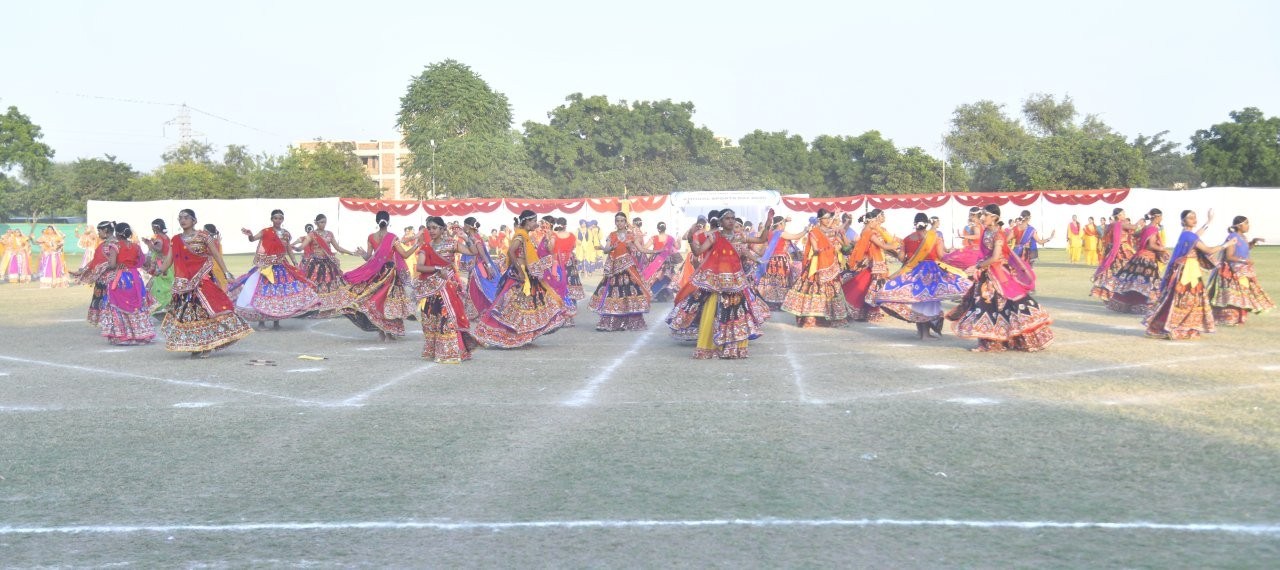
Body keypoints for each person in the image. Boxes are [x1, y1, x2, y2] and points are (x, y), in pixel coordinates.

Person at [947, 204, 1054, 352]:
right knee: (983, 306)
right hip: (986, 274)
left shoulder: (998, 235)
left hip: (997, 274)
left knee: (1002, 305)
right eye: (982, 215)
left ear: (994, 218)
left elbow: (995, 257)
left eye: (985, 215)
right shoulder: (986, 232)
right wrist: (980, 266)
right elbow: (985, 253)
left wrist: (978, 266)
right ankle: (990, 342)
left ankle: (1003, 341)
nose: (982, 217)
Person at [666, 209, 770, 359]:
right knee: (712, 312)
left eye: (733, 218)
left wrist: (768, 224)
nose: (731, 221)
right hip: (716, 283)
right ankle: (709, 347)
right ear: (720, 222)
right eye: (727, 218)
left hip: (736, 282)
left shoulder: (739, 236)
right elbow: (698, 251)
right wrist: (690, 238)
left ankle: (733, 349)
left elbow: (761, 239)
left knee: (736, 314)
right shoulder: (714, 237)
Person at [156, 209, 253, 357]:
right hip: (184, 283)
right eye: (180, 218)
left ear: (194, 220)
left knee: (206, 311)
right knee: (189, 314)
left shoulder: (204, 236)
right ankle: (196, 345)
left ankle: (208, 344)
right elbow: (169, 260)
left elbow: (216, 255)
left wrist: (226, 273)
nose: (183, 220)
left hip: (202, 280)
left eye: (186, 217)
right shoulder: (175, 239)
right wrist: (158, 270)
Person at [469, 209, 571, 348]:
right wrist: (520, 270)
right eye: (533, 221)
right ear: (526, 222)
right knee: (510, 307)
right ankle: (490, 334)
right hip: (519, 275)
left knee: (526, 306)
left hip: (527, 275)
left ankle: (520, 335)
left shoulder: (526, 235)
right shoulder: (520, 235)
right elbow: (511, 251)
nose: (535, 224)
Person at [874, 213, 973, 340]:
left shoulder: (907, 239)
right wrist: (957, 255)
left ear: (915, 224)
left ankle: (921, 332)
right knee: (928, 302)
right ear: (927, 224)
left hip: (914, 272)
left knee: (918, 301)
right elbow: (942, 256)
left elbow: (901, 258)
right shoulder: (935, 238)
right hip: (931, 272)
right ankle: (925, 334)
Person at [1144, 210, 1235, 340]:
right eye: (1190, 218)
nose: (1194, 219)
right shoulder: (1188, 236)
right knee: (1188, 300)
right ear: (1183, 221)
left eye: (1194, 217)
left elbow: (1196, 236)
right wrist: (1227, 244)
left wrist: (1208, 222)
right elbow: (1208, 250)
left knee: (1181, 299)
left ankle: (1175, 326)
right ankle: (1178, 328)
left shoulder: (1186, 234)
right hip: (1187, 273)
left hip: (1188, 270)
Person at [228, 209, 320, 329]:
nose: (278, 220)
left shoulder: (286, 234)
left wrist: (295, 262)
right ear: (272, 219)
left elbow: (288, 249)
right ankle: (261, 322)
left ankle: (277, 322)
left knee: (279, 294)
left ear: (283, 220)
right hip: (266, 267)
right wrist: (250, 234)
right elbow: (253, 239)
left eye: (280, 218)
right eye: (275, 218)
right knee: (263, 293)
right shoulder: (266, 231)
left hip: (281, 267)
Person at [342, 210, 419, 341]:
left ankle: (381, 332)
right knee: (388, 302)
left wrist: (362, 253)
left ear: (377, 222)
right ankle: (389, 332)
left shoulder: (371, 237)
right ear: (388, 222)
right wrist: (417, 245)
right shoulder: (392, 237)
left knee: (377, 301)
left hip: (376, 274)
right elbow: (405, 255)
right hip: (389, 273)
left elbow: (369, 258)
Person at [412, 216, 479, 363]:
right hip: (431, 290)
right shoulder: (426, 247)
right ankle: (435, 350)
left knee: (447, 318)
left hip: (447, 289)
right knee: (431, 319)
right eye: (429, 228)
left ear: (442, 229)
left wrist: (466, 238)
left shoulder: (451, 243)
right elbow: (420, 267)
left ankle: (451, 351)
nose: (431, 231)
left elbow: (473, 251)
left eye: (435, 228)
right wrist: (437, 268)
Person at [783, 208, 851, 327]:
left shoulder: (833, 231)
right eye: (826, 218)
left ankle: (834, 317)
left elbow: (846, 246)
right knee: (814, 290)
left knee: (833, 291)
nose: (828, 220)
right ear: (820, 219)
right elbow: (815, 249)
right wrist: (827, 249)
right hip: (817, 266)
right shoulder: (814, 232)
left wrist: (843, 234)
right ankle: (811, 317)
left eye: (829, 218)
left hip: (832, 266)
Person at [590, 212, 655, 331]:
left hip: (628, 268)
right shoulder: (612, 235)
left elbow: (641, 249)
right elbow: (606, 250)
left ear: (625, 222)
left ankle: (631, 321)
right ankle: (613, 322)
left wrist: (655, 252)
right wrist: (612, 247)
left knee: (630, 293)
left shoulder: (631, 236)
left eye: (622, 221)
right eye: (617, 221)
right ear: (615, 222)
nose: (619, 223)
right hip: (615, 270)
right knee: (614, 293)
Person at [96, 223, 156, 345]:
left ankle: (123, 335)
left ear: (117, 233)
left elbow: (112, 264)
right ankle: (140, 334)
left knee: (119, 306)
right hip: (135, 278)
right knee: (136, 306)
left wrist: (104, 267)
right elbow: (144, 263)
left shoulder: (115, 246)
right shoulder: (136, 246)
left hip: (120, 279)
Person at [1209, 215, 1275, 326]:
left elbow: (1244, 248)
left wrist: (1253, 242)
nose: (1248, 226)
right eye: (1246, 223)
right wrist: (1245, 260)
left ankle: (1240, 318)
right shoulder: (1232, 237)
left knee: (1244, 294)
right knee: (1235, 296)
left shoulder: (1243, 237)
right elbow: (1229, 256)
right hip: (1233, 272)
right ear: (1239, 226)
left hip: (1243, 271)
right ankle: (1230, 318)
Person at [843, 209, 902, 323]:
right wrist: (896, 245)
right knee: (876, 288)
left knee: (867, 286)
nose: (876, 224)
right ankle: (872, 313)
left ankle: (866, 312)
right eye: (875, 221)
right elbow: (882, 246)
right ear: (870, 222)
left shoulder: (865, 231)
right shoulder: (870, 233)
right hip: (876, 261)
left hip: (874, 260)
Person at [1105, 209, 1168, 314]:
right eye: (1161, 216)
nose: (1162, 218)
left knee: (1133, 282)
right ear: (1157, 217)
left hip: (1138, 258)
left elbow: (1134, 235)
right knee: (1146, 284)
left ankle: (1127, 305)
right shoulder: (1153, 229)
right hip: (1147, 259)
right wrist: (1162, 248)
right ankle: (1143, 307)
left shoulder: (1146, 228)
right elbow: (1151, 245)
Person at [294, 214, 356, 318]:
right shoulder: (312, 234)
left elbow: (338, 248)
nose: (323, 224)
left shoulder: (329, 234)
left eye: (325, 222)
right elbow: (301, 247)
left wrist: (352, 253)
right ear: (316, 223)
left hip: (328, 263)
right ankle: (312, 308)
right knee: (314, 285)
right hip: (315, 264)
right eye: (321, 222)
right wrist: (292, 247)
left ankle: (329, 308)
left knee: (330, 286)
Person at [1091, 208, 1136, 300]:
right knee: (1128, 272)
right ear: (1118, 216)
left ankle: (1113, 294)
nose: (1125, 215)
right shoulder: (1120, 224)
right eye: (1123, 214)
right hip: (1122, 251)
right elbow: (1134, 227)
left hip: (1112, 250)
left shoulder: (1110, 225)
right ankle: (1121, 295)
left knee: (1113, 273)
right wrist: (1141, 222)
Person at [143, 219, 175, 316]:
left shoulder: (159, 238)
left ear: (156, 227)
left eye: (153, 227)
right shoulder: (166, 237)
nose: (152, 229)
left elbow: (158, 249)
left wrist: (149, 244)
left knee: (158, 285)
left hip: (161, 264)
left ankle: (159, 306)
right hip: (168, 264)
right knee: (167, 284)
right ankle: (167, 306)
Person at [643, 221, 682, 302]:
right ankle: (660, 294)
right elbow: (678, 247)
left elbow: (645, 248)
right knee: (667, 277)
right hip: (667, 261)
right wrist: (679, 240)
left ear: (658, 229)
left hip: (656, 260)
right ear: (665, 228)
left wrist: (653, 251)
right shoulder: (670, 238)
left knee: (654, 277)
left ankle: (653, 293)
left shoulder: (654, 238)